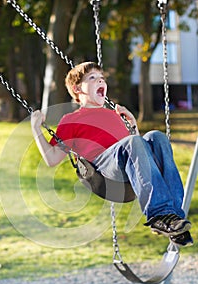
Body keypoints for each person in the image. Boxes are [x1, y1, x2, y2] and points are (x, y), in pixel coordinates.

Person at [31, 61, 193, 247]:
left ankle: (174, 220)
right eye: (92, 78)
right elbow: (52, 159)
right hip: (104, 169)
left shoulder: (114, 114)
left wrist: (133, 127)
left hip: (127, 167)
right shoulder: (71, 120)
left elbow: (141, 158)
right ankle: (159, 215)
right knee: (133, 142)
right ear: (77, 89)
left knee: (157, 137)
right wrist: (36, 129)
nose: (100, 81)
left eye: (102, 78)